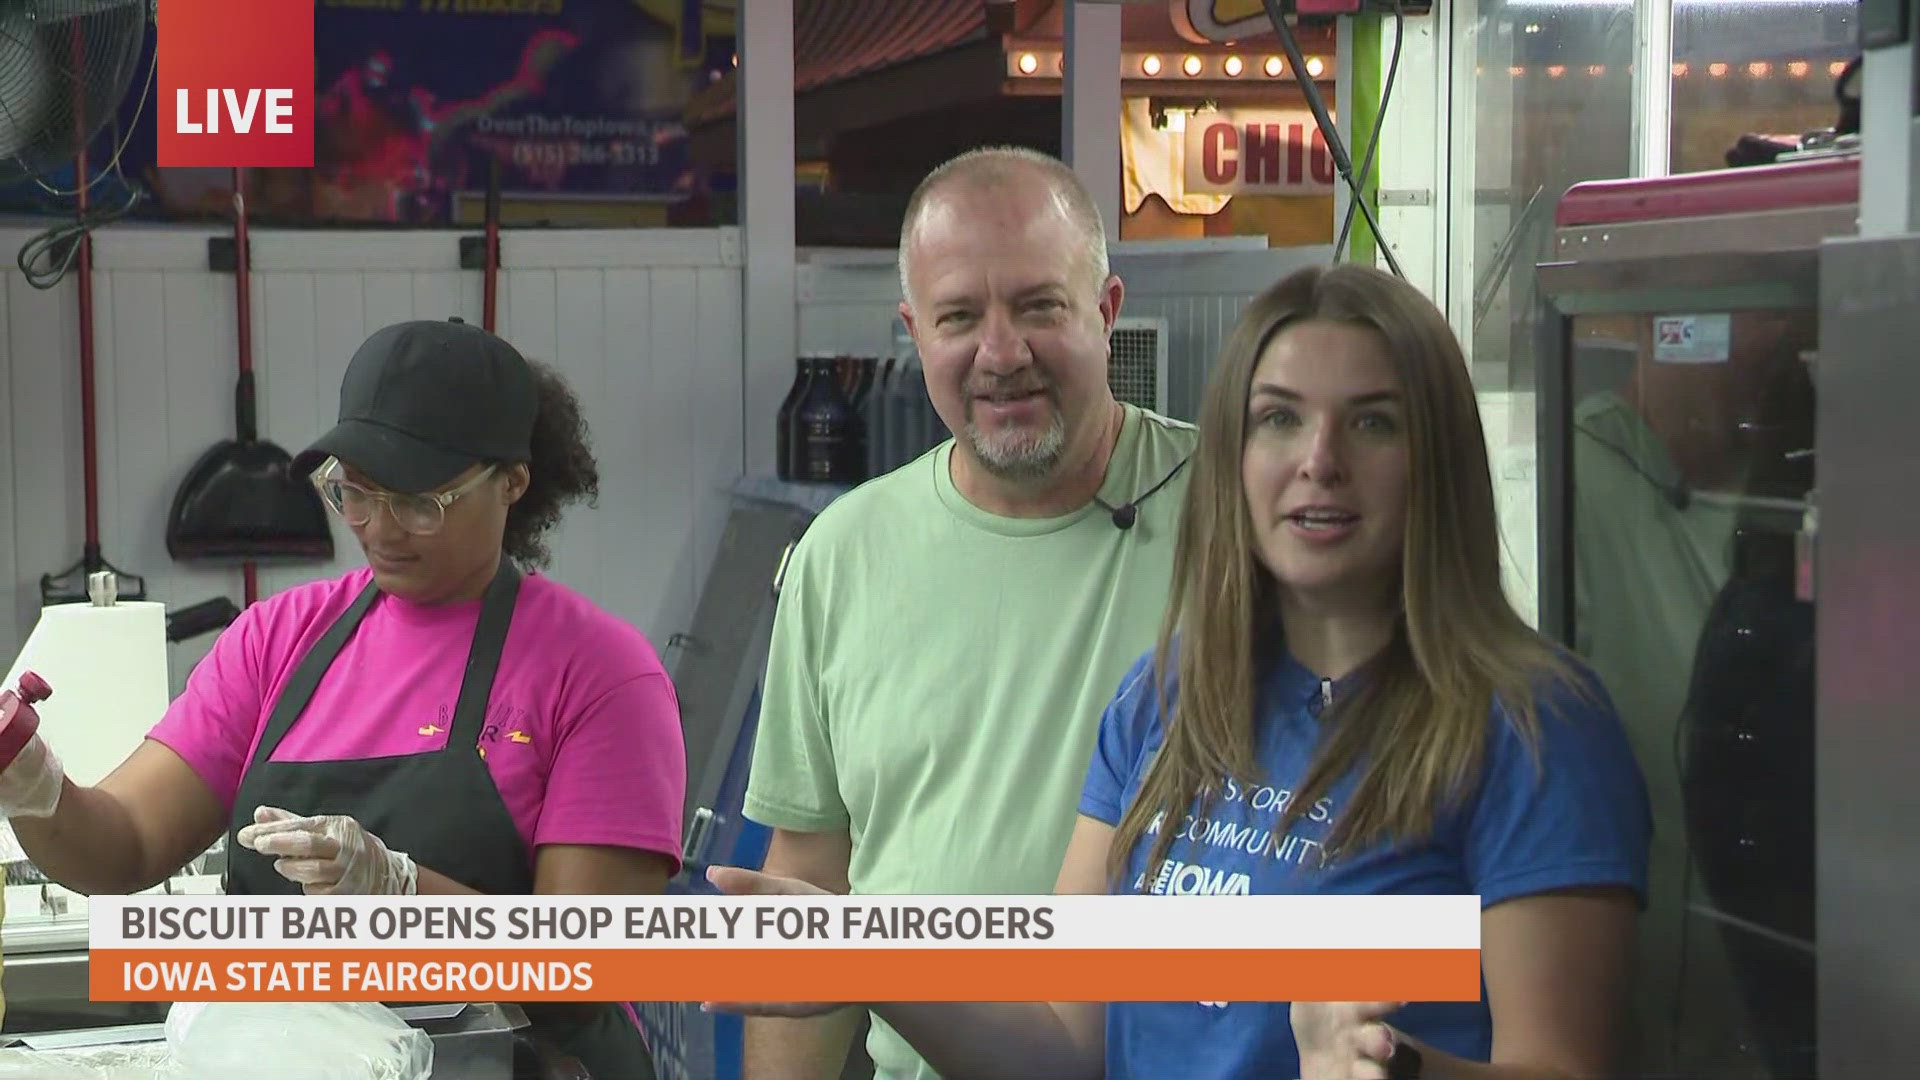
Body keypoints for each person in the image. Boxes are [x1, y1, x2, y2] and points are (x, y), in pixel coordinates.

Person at [716, 264, 1652, 1080]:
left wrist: (1392, 1069)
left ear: (1435, 459)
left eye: (1372, 423)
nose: (1319, 462)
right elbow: (1062, 1044)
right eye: (1278, 420)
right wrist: (867, 957)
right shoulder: (1163, 699)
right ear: (1232, 459)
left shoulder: (1530, 728)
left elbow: (1563, 1067)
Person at [0, 317, 686, 1079]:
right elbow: (122, 845)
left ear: (512, 483)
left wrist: (397, 891)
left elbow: (585, 967)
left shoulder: (598, 673)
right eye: (353, 493)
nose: (380, 527)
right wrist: (34, 786)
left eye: (421, 502)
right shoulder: (279, 641)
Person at [739, 146, 1198, 1080]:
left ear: (1106, 313)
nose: (1001, 353)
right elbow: (814, 881)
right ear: (914, 331)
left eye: (1038, 307)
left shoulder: (1236, 515)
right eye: (959, 318)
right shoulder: (842, 553)